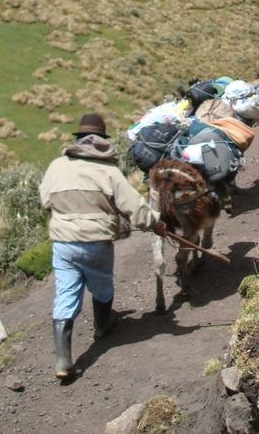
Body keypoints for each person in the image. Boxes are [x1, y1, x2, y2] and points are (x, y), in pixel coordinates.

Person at [40, 113, 167, 380]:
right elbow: (134, 208)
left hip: (62, 242)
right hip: (96, 242)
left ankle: (63, 361)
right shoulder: (109, 172)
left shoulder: (56, 167)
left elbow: (45, 200)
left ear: (79, 139)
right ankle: (102, 326)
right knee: (101, 285)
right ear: (103, 141)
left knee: (65, 293)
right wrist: (156, 224)